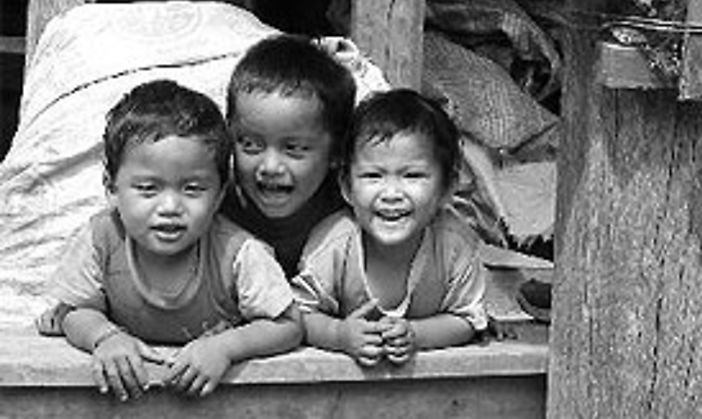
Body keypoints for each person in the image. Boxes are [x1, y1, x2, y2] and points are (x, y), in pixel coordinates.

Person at [36, 78, 301, 401]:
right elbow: (74, 312)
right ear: (111, 188)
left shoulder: (238, 252)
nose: (171, 208)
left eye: (193, 189)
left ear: (220, 194)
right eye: (148, 189)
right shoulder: (102, 237)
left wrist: (224, 348)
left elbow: (288, 325)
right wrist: (105, 338)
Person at [293, 88, 488, 365]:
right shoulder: (334, 245)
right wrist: (338, 335)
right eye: (373, 176)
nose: (392, 193)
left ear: (446, 189)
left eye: (413, 176)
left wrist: (416, 334)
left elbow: (468, 318)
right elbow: (298, 314)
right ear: (347, 187)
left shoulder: (455, 247)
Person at [223, 33, 357, 277]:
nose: (271, 167)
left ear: (337, 151)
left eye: (294, 148)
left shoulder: (354, 211)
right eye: (251, 144)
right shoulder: (216, 206)